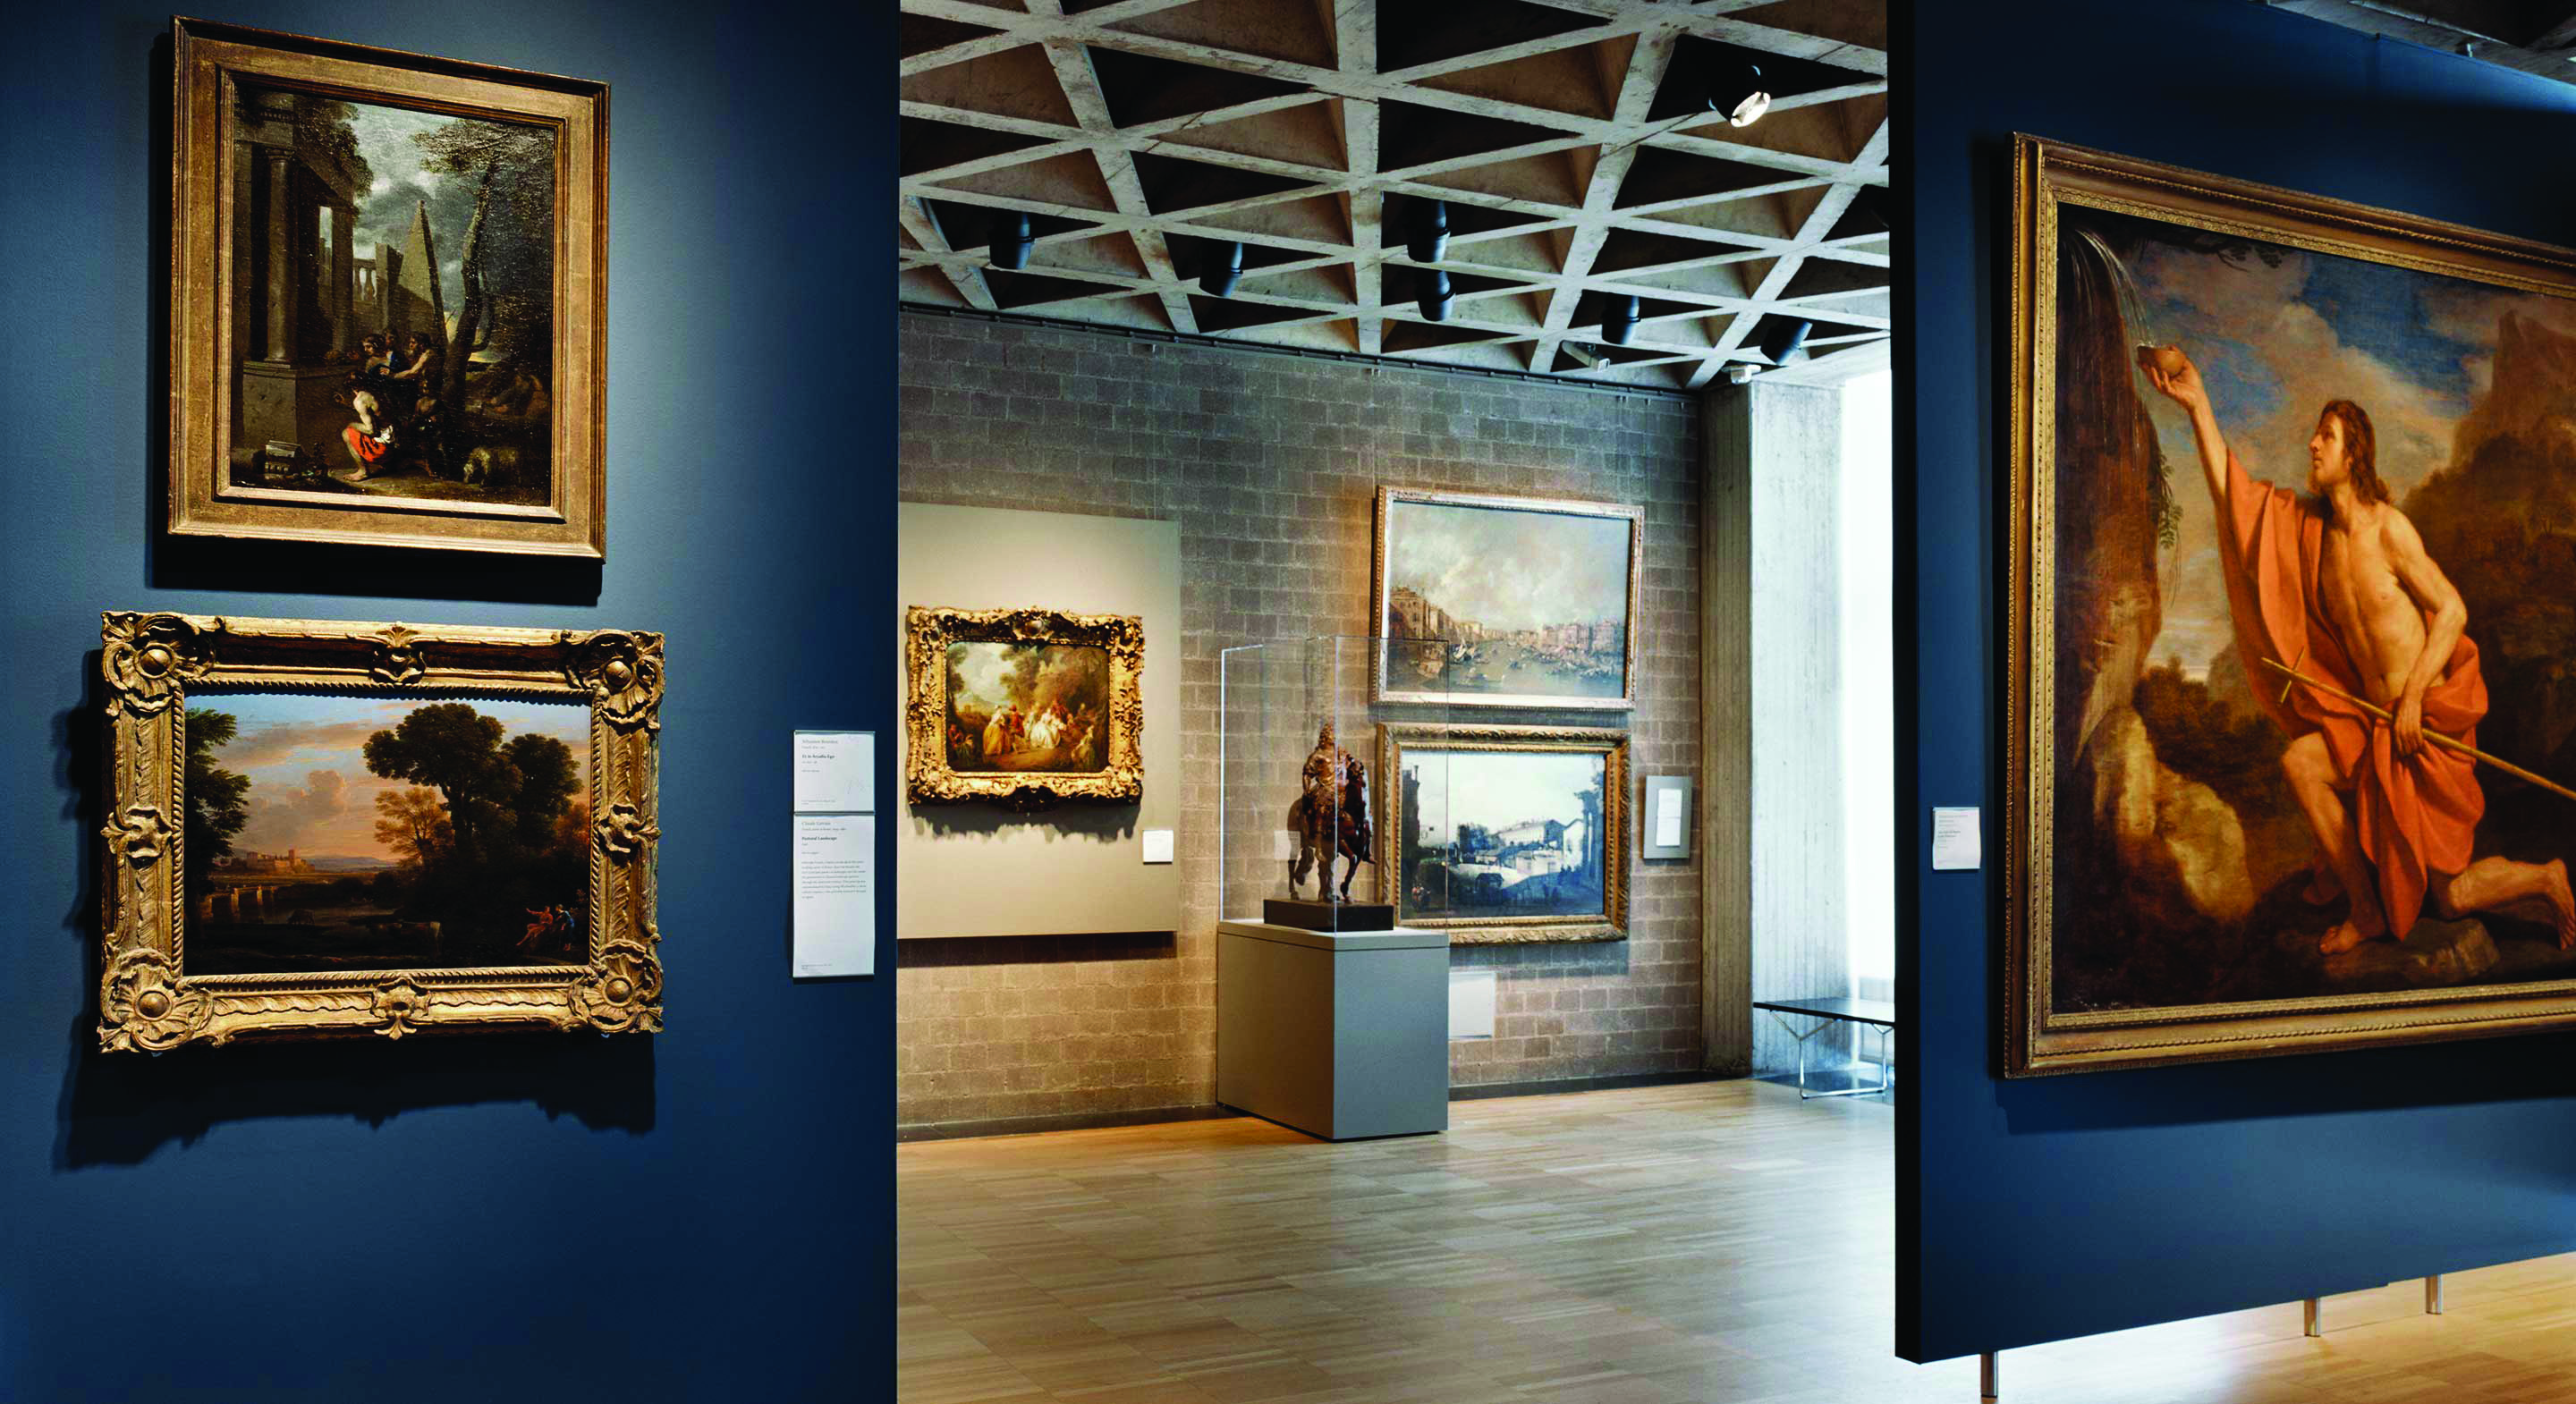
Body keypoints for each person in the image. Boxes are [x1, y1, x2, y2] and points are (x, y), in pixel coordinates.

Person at [2145, 349, 2575, 953]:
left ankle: (2547, 877)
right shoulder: (2313, 534)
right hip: (2369, 724)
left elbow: (2453, 610)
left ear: (2354, 455)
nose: (2313, 445)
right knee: (2301, 764)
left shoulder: (2389, 529)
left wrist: (2414, 699)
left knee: (2451, 897)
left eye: (2327, 436)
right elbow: (2235, 498)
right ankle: (2366, 909)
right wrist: (2197, 405)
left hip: (2422, 728)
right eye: (2316, 435)